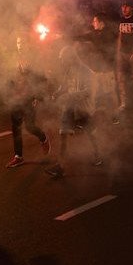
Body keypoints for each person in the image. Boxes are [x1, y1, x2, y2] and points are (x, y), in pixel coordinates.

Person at [45, 44, 106, 178]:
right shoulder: (69, 70)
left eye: (63, 59)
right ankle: (61, 167)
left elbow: (89, 92)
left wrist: (70, 96)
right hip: (71, 107)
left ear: (71, 58)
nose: (61, 62)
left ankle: (98, 155)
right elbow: (65, 86)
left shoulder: (87, 72)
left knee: (91, 132)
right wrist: (58, 92)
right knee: (63, 133)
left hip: (84, 108)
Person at [5, 63, 51, 168]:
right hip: (15, 104)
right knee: (16, 130)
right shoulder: (10, 71)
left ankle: (43, 138)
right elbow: (8, 87)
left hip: (27, 102)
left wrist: (37, 97)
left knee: (29, 127)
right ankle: (18, 157)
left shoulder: (29, 69)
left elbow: (40, 82)